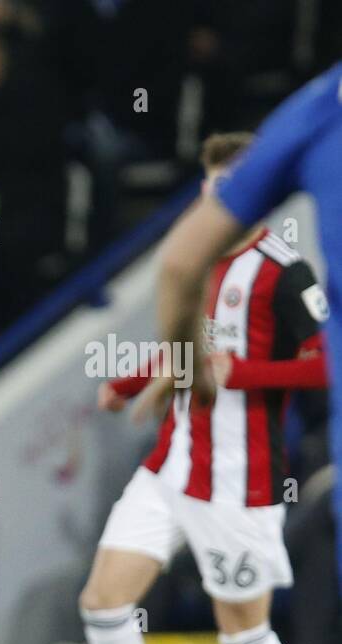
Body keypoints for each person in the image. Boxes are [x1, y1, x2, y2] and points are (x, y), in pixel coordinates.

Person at [81, 133, 333, 644]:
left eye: (231, 187)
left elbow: (324, 366)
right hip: (170, 466)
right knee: (103, 601)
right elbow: (187, 349)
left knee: (245, 636)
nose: (216, 201)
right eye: (210, 187)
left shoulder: (286, 273)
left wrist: (241, 374)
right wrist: (131, 381)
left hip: (238, 480)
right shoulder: (197, 265)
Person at [153, 62, 342, 589]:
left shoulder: (285, 272)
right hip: (201, 464)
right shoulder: (215, 279)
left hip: (267, 465)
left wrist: (237, 373)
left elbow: (176, 264)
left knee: (246, 618)